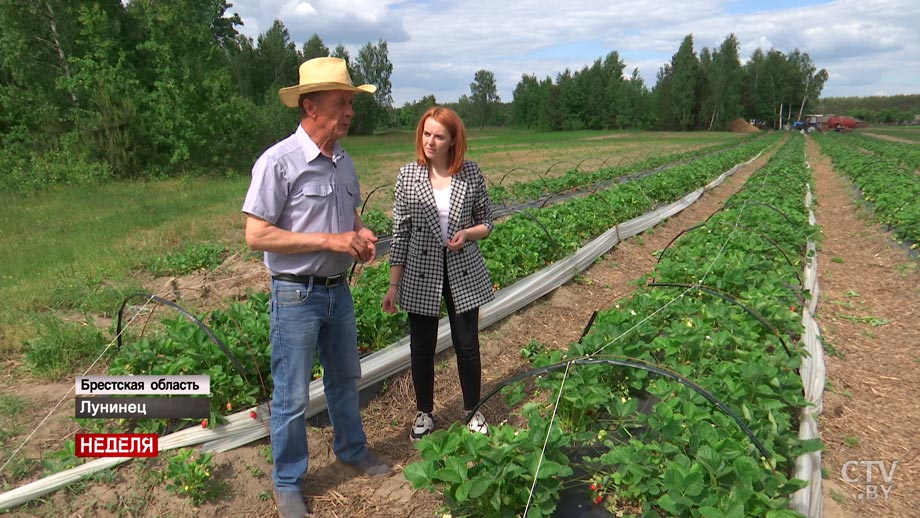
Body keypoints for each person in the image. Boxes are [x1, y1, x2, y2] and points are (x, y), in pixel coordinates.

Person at [242, 57, 391, 518]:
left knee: (346, 377)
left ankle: (351, 448)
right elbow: (256, 234)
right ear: (310, 106)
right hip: (295, 295)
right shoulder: (279, 162)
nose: (350, 112)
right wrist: (331, 240)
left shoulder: (344, 163)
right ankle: (287, 481)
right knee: (290, 395)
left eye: (351, 103)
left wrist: (361, 234)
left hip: (336, 290)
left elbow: (349, 216)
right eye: (341, 103)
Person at [382, 106, 495, 441]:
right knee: (422, 346)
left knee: (467, 344)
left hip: (463, 270)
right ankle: (424, 412)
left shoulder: (470, 174)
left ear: (453, 140)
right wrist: (393, 284)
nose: (430, 141)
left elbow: (487, 221)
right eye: (426, 134)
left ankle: (473, 409)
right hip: (420, 272)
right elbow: (400, 233)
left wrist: (468, 235)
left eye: (439, 136)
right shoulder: (408, 176)